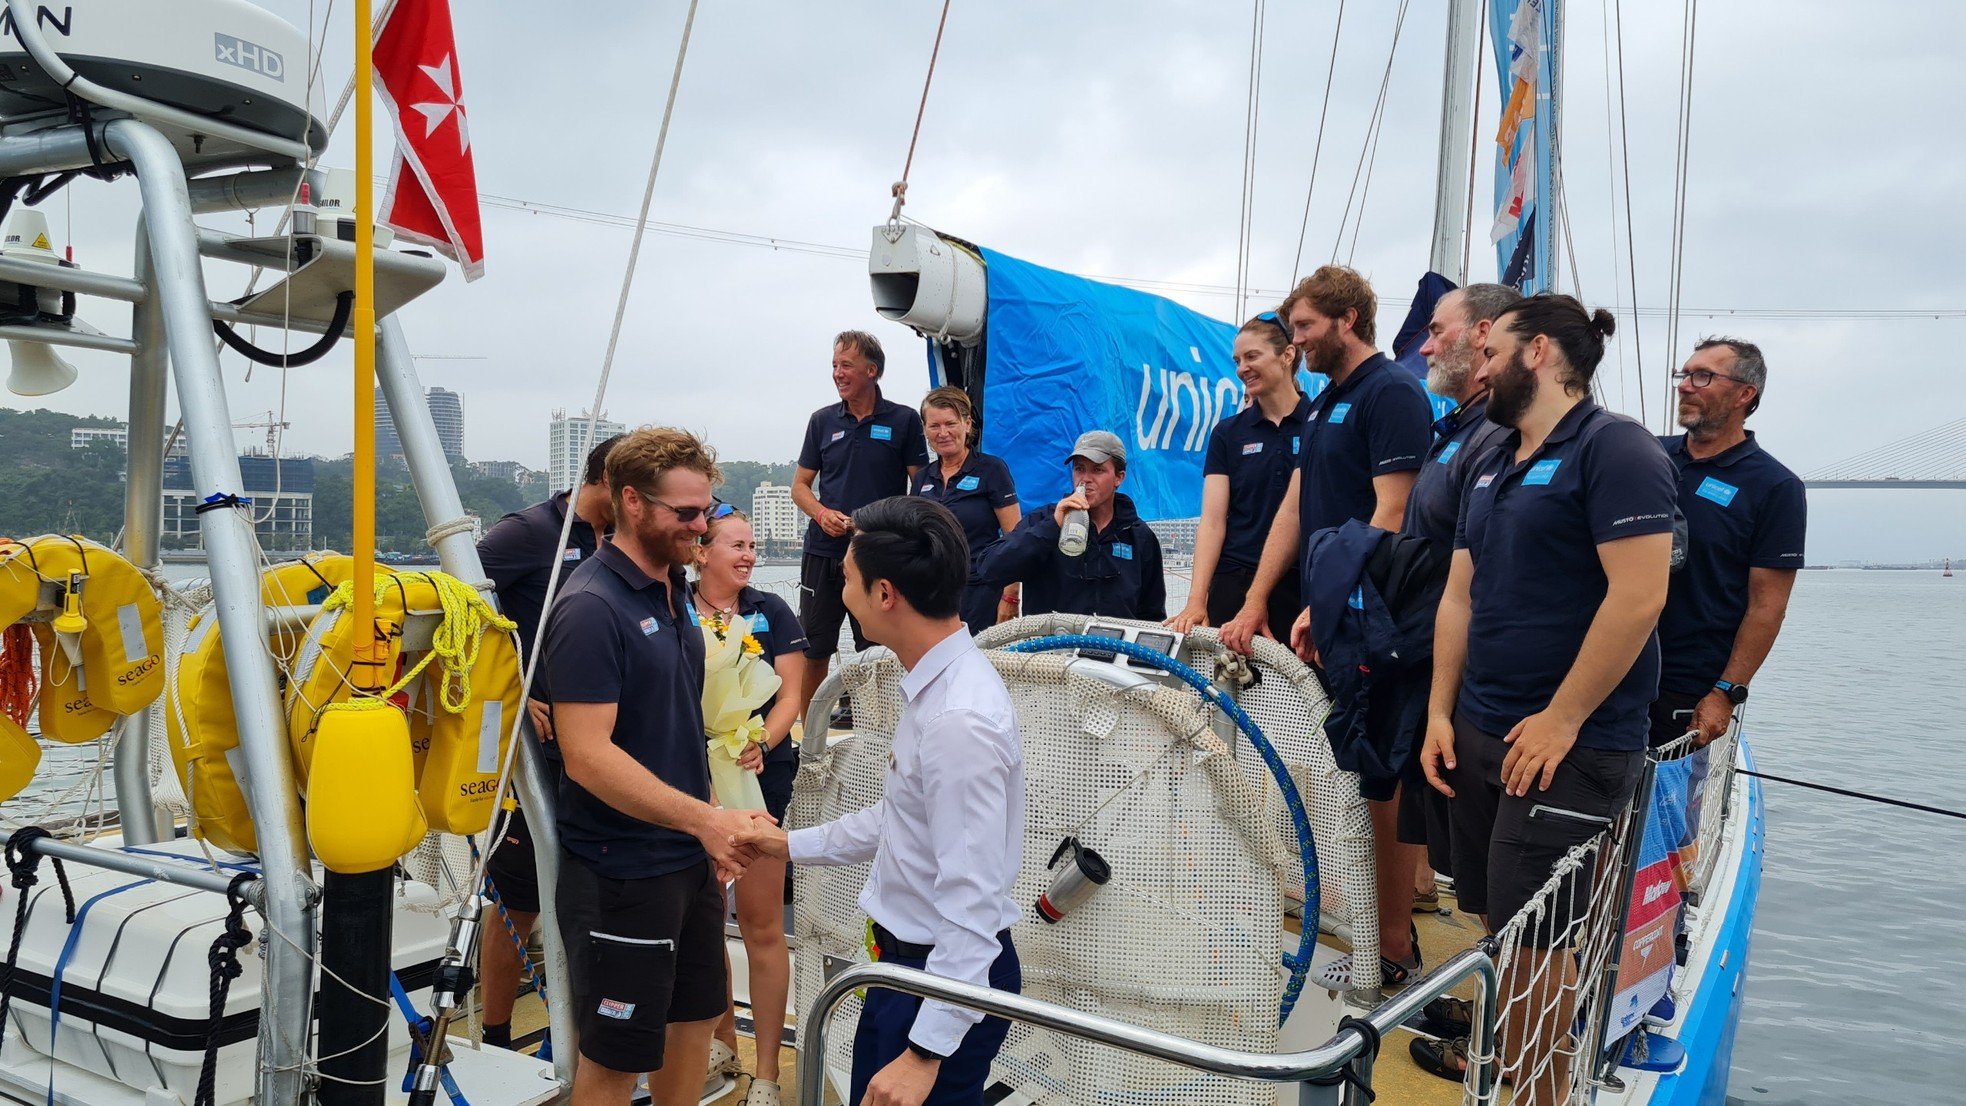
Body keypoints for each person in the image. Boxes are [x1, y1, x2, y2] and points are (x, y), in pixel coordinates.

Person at [1415, 295, 1677, 1095]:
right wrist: (1438, 713)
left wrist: (1563, 719)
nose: (1477, 364)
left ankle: (1528, 1089)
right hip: (1483, 730)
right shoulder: (1491, 453)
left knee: (1541, 947)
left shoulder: (1616, 449)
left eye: (1490, 350)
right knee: (1500, 921)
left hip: (1569, 745)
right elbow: (1459, 595)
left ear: (1538, 354)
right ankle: (1504, 1069)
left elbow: (1638, 596)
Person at [734, 496, 1023, 1106]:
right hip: (912, 973)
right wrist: (787, 844)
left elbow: (972, 907)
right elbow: (901, 821)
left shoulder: (957, 720)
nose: (842, 594)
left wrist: (925, 1054)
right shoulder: (935, 688)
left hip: (938, 981)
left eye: (846, 579)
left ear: (885, 593)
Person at [542, 427, 774, 1106]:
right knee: (616, 1055)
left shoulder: (672, 590)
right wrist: (707, 820)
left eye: (708, 510)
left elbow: (674, 726)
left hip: (685, 856)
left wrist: (707, 834)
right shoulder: (591, 607)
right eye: (686, 513)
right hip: (622, 870)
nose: (702, 526)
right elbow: (587, 757)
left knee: (696, 1018)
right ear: (632, 504)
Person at [1221, 265, 1433, 984]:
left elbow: (1393, 511)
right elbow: (1293, 508)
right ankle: (1361, 922)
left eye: (1306, 327)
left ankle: (1394, 948)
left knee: (1380, 778)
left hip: (1376, 617)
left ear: (1347, 320)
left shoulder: (1393, 394)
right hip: (1331, 617)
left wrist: (1334, 597)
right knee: (1342, 767)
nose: (1298, 340)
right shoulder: (1326, 406)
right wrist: (1256, 600)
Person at [474, 432, 621, 1050]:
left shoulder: (617, 544)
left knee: (595, 884)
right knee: (518, 893)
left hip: (598, 741)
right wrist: (515, 686)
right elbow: (456, 606)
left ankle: (585, 1030)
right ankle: (496, 1030)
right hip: (536, 747)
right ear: (610, 485)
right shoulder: (529, 532)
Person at [1396, 284, 1520, 907]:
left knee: (1499, 880)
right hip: (1429, 665)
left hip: (1475, 691)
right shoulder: (1455, 432)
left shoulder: (1497, 439)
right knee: (1452, 856)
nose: (1423, 345)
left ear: (1483, 335)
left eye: (1438, 331)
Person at [689, 507, 807, 1106]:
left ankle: (765, 1073)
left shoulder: (772, 610)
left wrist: (761, 739)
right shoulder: (671, 607)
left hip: (762, 777)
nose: (750, 556)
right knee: (704, 924)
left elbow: (791, 690)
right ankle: (721, 1046)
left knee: (760, 925)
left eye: (754, 546)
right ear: (701, 551)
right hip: (691, 786)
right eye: (737, 545)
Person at [1651, 338, 1804, 750]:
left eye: (1702, 376)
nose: (1685, 385)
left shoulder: (1775, 487)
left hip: (1685, 691)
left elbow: (1767, 607)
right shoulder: (1648, 455)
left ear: (1745, 393)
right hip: (1611, 672)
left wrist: (1725, 692)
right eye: (1683, 375)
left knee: (1665, 812)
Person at [792, 330, 929, 727]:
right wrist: (821, 514)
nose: (837, 373)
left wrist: (883, 523)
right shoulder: (821, 422)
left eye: (846, 365)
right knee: (814, 645)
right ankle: (811, 735)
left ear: (872, 370)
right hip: (823, 550)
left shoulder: (903, 420)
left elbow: (920, 488)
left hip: (877, 554)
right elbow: (800, 487)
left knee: (879, 647)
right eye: (834, 365)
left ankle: (878, 730)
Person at [1166, 314, 1311, 637]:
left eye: (1252, 356)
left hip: (1300, 586)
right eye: (1237, 360)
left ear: (1287, 355)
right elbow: (1213, 521)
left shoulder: (1319, 424)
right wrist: (1196, 600)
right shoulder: (1228, 434)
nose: (1241, 368)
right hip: (1235, 582)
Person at [975, 431, 1166, 621]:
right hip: (1052, 647)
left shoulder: (1138, 535)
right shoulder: (1045, 519)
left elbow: (1152, 613)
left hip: (1116, 647)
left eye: (1097, 470)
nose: (1085, 479)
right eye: (1079, 469)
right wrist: (1053, 526)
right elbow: (990, 569)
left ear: (1119, 477)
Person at [909, 386, 1021, 634]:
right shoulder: (922, 478)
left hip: (980, 593)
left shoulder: (992, 470)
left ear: (967, 424)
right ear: (925, 430)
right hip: (932, 594)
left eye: (951, 423)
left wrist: (1011, 597)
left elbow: (1015, 539)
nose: (943, 433)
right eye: (934, 426)